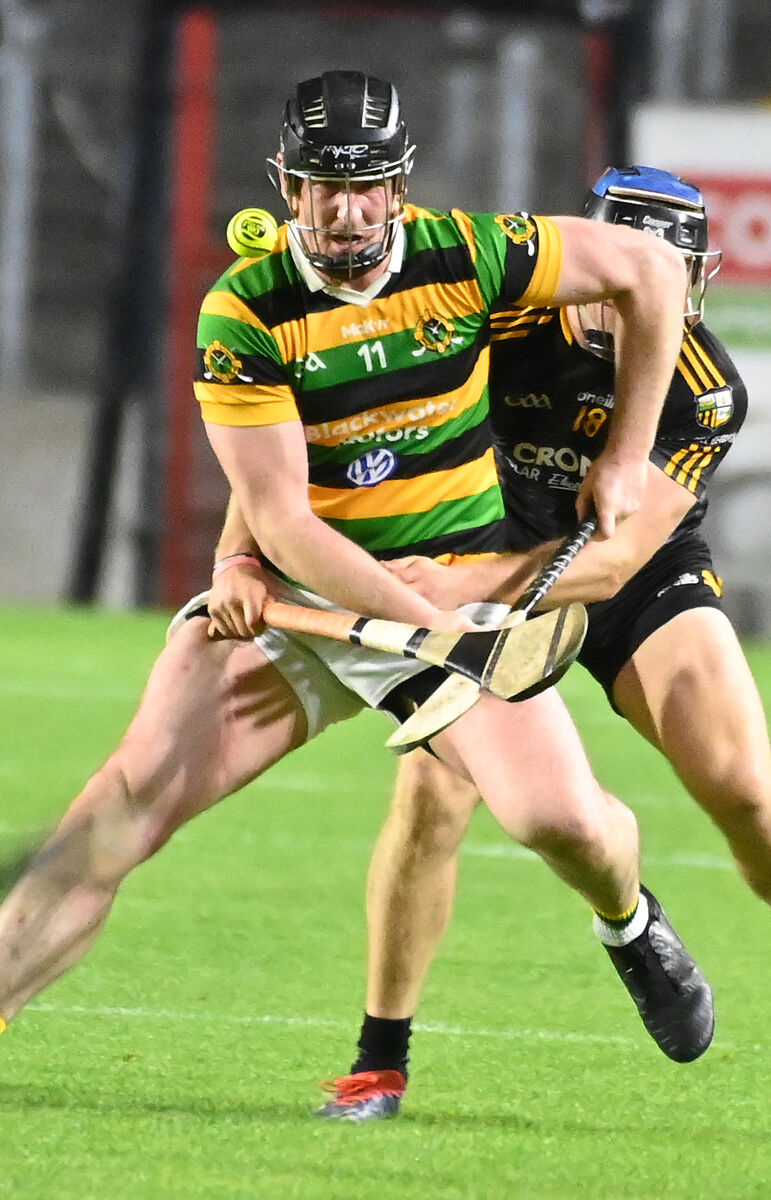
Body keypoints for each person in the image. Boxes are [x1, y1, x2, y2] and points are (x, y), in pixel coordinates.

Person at [0, 74, 715, 1081]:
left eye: (371, 186)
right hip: (319, 607)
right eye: (324, 188)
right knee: (115, 816)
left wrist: (622, 456)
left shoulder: (466, 255)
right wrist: (257, 565)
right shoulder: (244, 313)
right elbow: (285, 512)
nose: (349, 212)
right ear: (285, 186)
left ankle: (628, 924)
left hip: (456, 590)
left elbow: (647, 268)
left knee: (564, 825)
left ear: (401, 186)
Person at [290, 166, 771, 1124]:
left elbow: (615, 558)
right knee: (431, 802)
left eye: (678, 270)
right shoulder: (499, 321)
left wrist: (464, 592)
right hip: (483, 548)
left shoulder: (705, 387)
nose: (658, 294)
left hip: (626, 574)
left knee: (739, 783)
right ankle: (383, 1062)